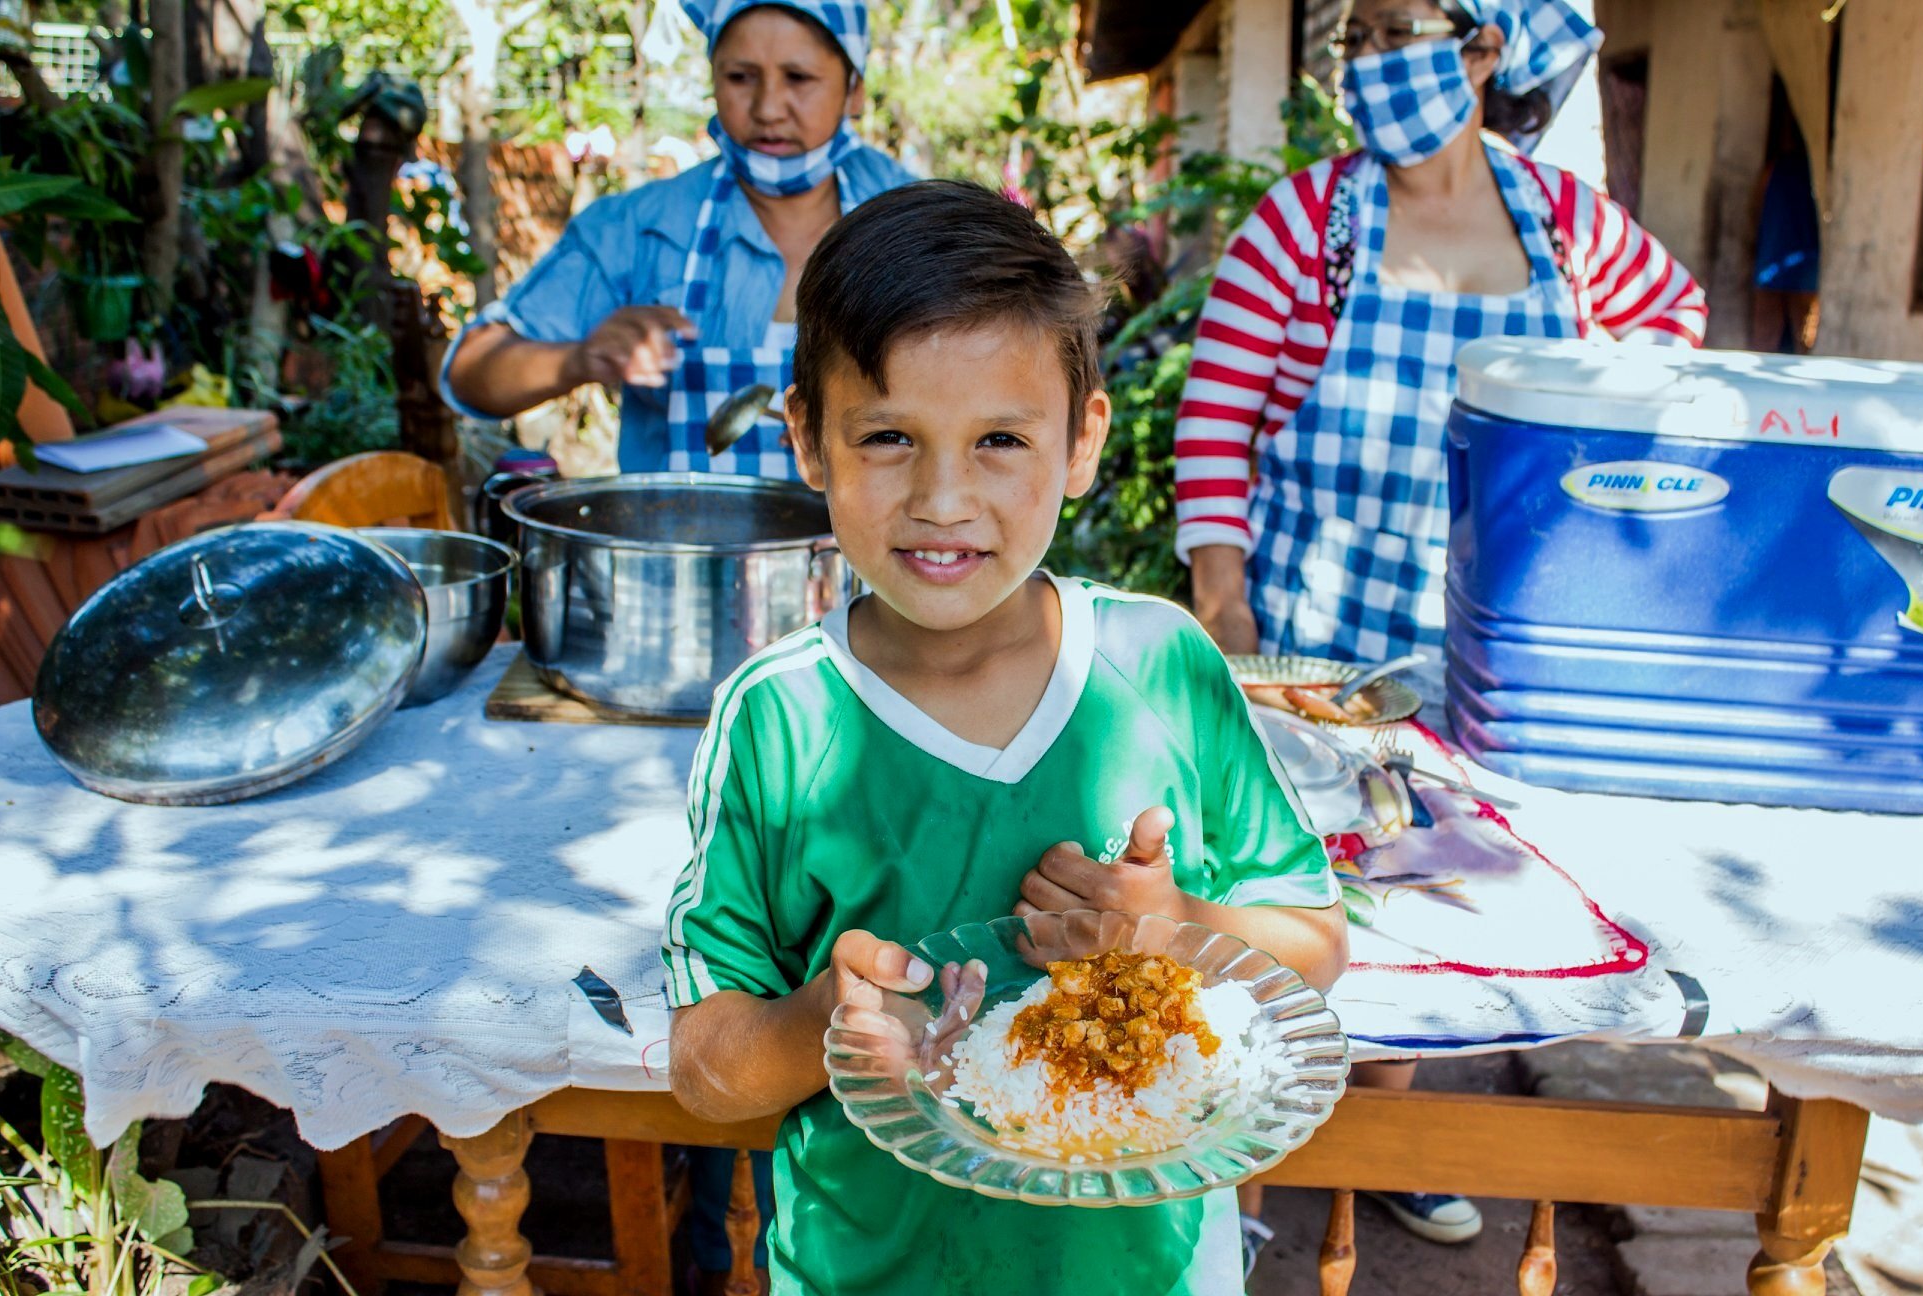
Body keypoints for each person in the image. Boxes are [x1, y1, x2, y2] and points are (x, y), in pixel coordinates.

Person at [661, 180, 1349, 1296]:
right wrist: (826, 1020)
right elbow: (705, 1068)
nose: (943, 498)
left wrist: (1180, 929)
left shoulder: (1164, 666)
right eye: (888, 436)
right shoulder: (778, 720)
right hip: (865, 1271)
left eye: (999, 441)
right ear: (808, 441)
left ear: (1081, 445)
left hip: (1156, 1274)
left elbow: (1315, 942)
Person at [1171, 0, 1705, 1252]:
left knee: (1429, 904)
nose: (1372, 59)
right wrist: (1223, 596)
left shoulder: (1563, 224)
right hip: (1320, 653)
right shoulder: (1311, 226)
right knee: (1283, 900)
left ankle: (1385, 1142)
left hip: (1487, 657)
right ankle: (1243, 1175)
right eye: (1357, 34)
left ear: (1483, 49)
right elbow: (1214, 421)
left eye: (1405, 26)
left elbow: (1672, 338)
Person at [440, 0, 912, 477]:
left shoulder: (917, 222)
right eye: (740, 77)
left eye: (798, 78)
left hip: (859, 553)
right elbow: (469, 375)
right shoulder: (637, 226)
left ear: (854, 90)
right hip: (681, 548)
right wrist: (577, 360)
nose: (769, 108)